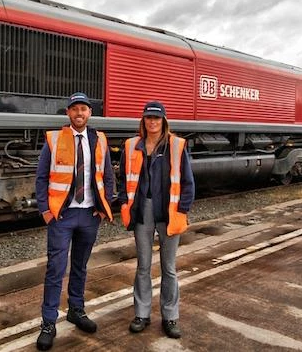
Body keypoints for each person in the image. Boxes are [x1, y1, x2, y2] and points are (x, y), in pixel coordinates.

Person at [34, 92, 115, 351]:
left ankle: (76, 310)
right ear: (68, 113)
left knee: (80, 266)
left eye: (83, 109)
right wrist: (46, 210)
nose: (79, 113)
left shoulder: (100, 140)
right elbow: (41, 178)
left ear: (89, 113)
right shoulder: (54, 139)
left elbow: (109, 176)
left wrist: (104, 209)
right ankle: (48, 322)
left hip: (89, 214)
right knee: (56, 269)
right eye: (74, 109)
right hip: (63, 215)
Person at [114, 100, 195, 339]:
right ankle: (142, 313)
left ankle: (170, 317)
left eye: (157, 118)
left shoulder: (176, 145)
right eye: (149, 117)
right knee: (143, 266)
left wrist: (183, 209)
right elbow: (122, 178)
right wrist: (123, 202)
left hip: (169, 211)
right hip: (142, 211)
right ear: (143, 120)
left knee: (169, 268)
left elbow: (188, 182)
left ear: (164, 121)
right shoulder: (131, 145)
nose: (152, 122)